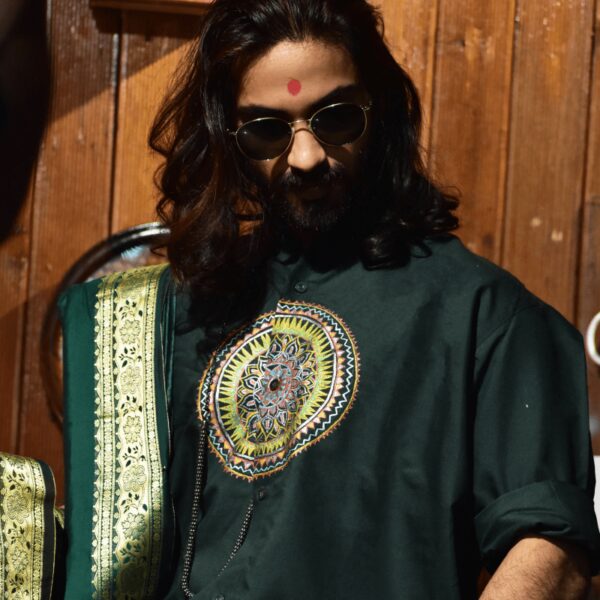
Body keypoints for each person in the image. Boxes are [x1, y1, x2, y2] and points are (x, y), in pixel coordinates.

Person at [2, 0, 599, 598]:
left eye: (336, 119)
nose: (306, 156)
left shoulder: (484, 314)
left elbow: (551, 551)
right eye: (267, 130)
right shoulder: (177, 315)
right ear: (229, 139)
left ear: (382, 112)